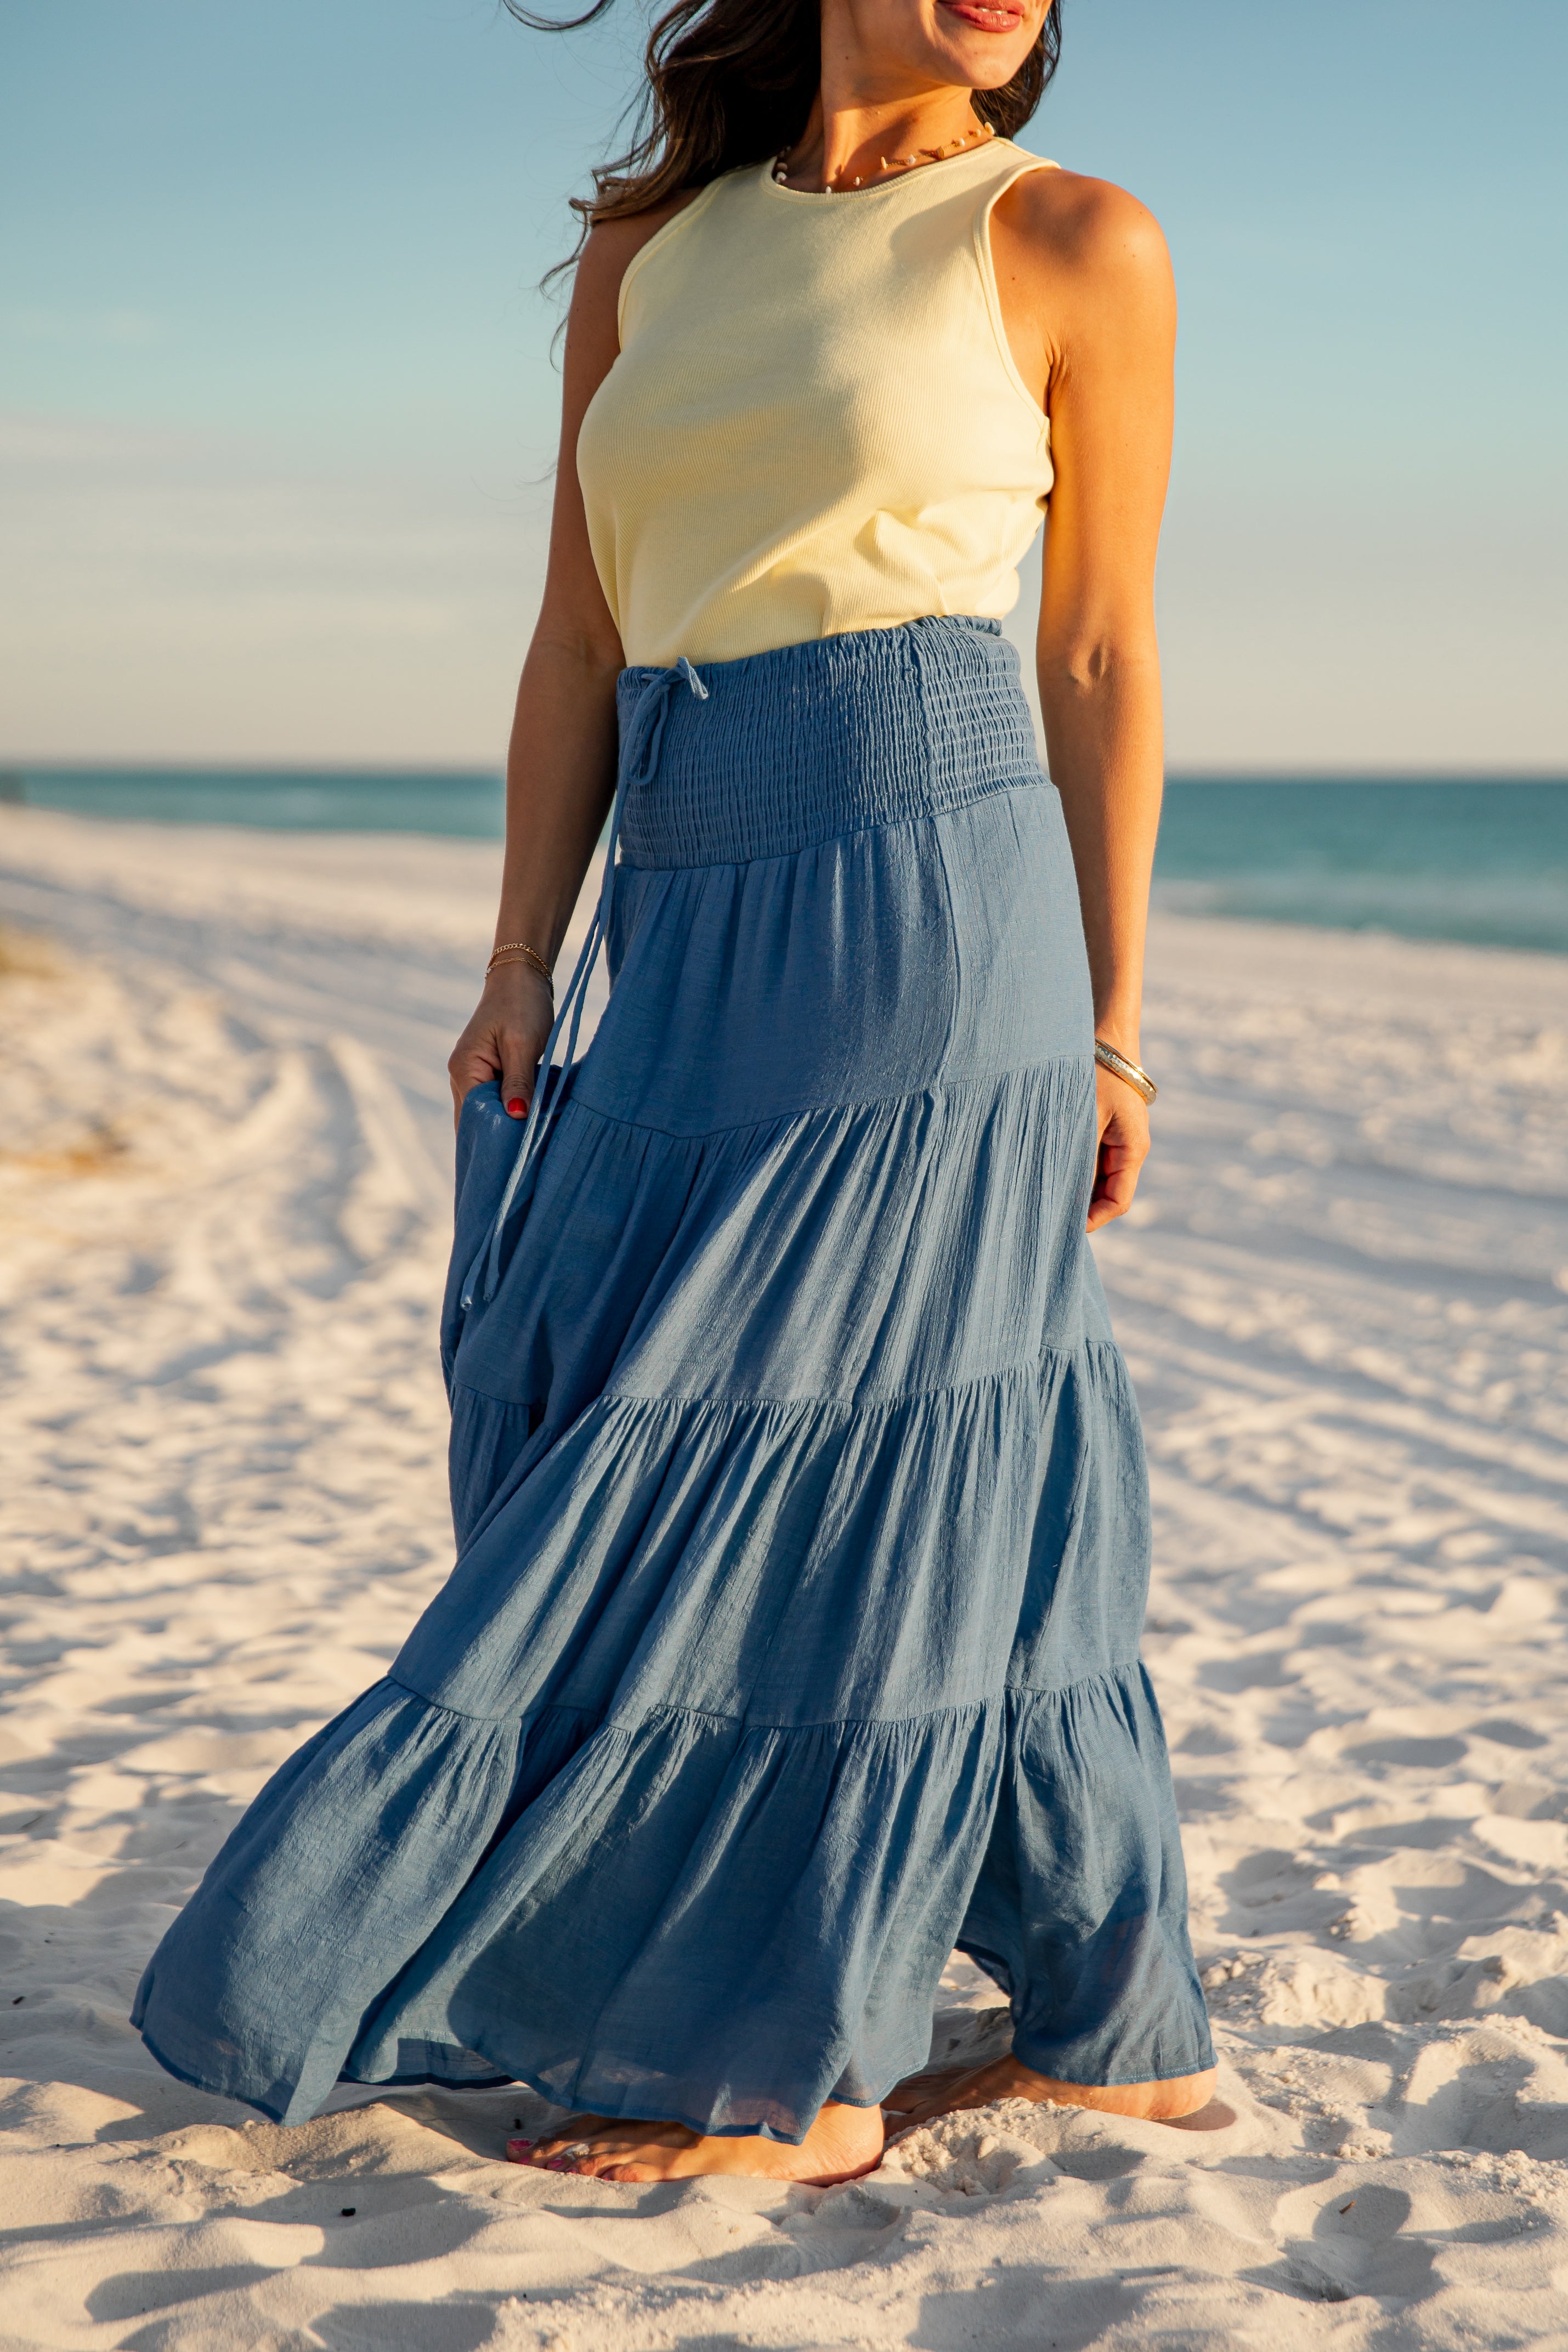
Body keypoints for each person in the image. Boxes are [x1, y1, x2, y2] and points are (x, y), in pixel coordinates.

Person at [132, 0, 1223, 2186]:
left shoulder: (1068, 238)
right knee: (710, 1381)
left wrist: (1115, 1021)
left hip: (926, 883)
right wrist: (517, 956)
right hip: (683, 880)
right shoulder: (657, 248)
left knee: (823, 1420)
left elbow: (1097, 648)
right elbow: (577, 634)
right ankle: (1115, 2029)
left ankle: (797, 2060)